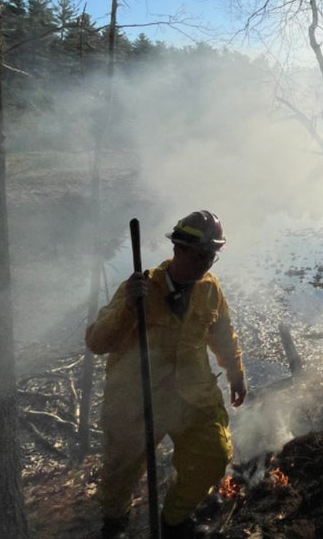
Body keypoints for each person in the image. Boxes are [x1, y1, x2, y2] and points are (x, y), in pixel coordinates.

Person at [87, 210, 248, 539]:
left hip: (193, 396)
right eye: (203, 255)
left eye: (212, 257)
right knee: (121, 470)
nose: (207, 264)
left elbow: (223, 334)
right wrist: (129, 308)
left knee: (214, 455)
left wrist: (236, 373)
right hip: (137, 399)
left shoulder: (209, 288)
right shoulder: (140, 288)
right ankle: (116, 522)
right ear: (179, 250)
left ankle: (174, 518)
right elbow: (97, 342)